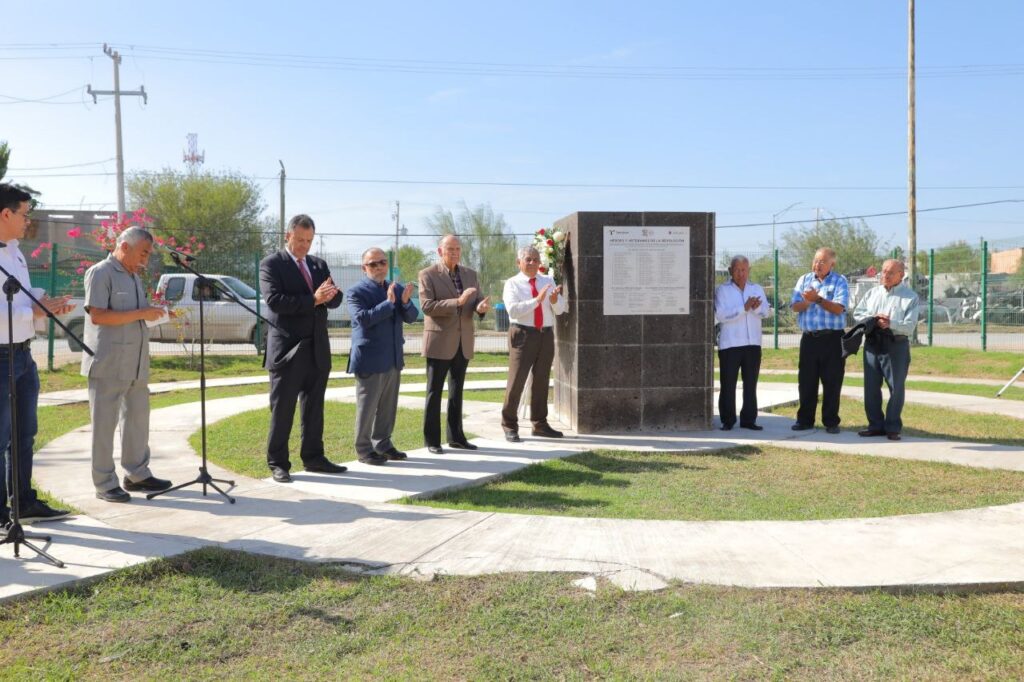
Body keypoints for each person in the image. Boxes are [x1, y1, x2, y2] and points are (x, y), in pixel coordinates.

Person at [82, 227, 174, 503]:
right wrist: (141, 313)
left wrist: (154, 313)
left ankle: (137, 474)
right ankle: (104, 482)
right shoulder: (100, 273)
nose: (146, 259)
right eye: (143, 252)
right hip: (108, 363)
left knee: (137, 420)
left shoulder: (133, 276)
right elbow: (98, 315)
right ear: (124, 246)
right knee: (104, 425)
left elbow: (135, 317)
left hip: (135, 363)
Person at [0, 184, 74, 526]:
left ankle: (24, 502)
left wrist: (46, 299)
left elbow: (24, 294)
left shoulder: (14, 250)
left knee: (25, 433)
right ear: (6, 214)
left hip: (24, 355)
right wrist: (36, 312)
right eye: (25, 214)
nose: (28, 221)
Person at [259, 214, 347, 482]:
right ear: (288, 236)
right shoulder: (271, 264)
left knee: (314, 407)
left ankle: (314, 457)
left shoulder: (318, 265)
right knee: (283, 408)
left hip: (317, 348)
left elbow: (335, 297)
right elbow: (275, 301)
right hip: (288, 350)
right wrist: (314, 299)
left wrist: (330, 296)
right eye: (299, 240)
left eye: (309, 241)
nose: (304, 246)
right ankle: (278, 462)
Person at [346, 247, 418, 465]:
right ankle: (364, 450)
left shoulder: (394, 288)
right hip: (369, 359)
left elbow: (412, 317)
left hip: (393, 357)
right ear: (364, 268)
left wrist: (404, 302)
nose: (379, 267)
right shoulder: (356, 291)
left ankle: (384, 444)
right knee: (367, 408)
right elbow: (363, 319)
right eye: (373, 264)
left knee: (388, 407)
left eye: (382, 263)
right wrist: (389, 304)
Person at [418, 235, 490, 453]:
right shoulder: (427, 274)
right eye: (450, 249)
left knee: (456, 392)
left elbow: (477, 301)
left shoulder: (470, 274)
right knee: (434, 392)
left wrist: (480, 307)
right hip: (439, 340)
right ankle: (432, 441)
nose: (455, 253)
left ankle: (456, 437)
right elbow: (427, 306)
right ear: (440, 251)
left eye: (458, 249)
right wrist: (457, 302)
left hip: (463, 340)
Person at [500, 246, 567, 442]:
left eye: (535, 260)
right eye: (528, 259)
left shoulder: (547, 280)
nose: (532, 263)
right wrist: (536, 300)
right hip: (522, 334)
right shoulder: (512, 284)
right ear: (518, 262)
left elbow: (561, 309)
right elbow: (513, 310)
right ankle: (509, 425)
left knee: (542, 380)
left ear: (540, 263)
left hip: (545, 335)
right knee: (516, 381)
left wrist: (554, 300)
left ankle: (540, 424)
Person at [852, 259, 919, 441]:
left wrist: (890, 323)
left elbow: (910, 326)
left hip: (895, 344)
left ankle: (892, 427)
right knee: (871, 387)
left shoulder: (910, 297)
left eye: (890, 272)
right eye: (883, 271)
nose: (885, 275)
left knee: (896, 387)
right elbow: (857, 314)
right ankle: (875, 425)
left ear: (901, 275)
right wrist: (873, 319)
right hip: (873, 343)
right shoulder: (873, 293)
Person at [790, 247, 849, 434]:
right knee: (806, 381)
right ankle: (805, 420)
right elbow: (795, 306)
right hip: (809, 339)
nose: (818, 264)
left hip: (832, 339)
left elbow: (839, 308)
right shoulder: (804, 280)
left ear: (832, 263)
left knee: (832, 381)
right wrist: (807, 302)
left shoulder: (840, 281)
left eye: (822, 261)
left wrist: (818, 299)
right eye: (816, 260)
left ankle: (831, 421)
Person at [714, 255, 771, 431]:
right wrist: (744, 308)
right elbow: (721, 316)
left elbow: (767, 313)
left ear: (749, 271)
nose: (741, 273)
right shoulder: (722, 290)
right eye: (737, 270)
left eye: (744, 270)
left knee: (750, 383)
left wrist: (756, 308)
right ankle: (728, 420)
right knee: (728, 384)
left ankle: (749, 420)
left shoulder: (756, 288)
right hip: (730, 345)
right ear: (731, 271)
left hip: (753, 344)